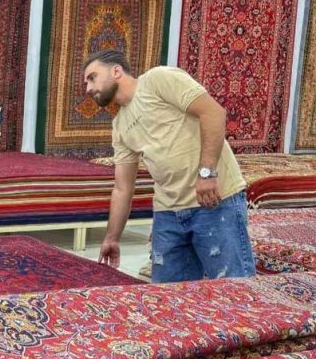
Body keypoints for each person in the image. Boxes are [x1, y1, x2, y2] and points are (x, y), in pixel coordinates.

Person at [83, 49, 255, 282]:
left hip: (215, 201)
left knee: (233, 290)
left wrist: (207, 173)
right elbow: (123, 188)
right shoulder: (120, 125)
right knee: (168, 297)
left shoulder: (157, 80)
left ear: (116, 71)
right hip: (168, 213)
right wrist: (112, 238)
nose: (88, 88)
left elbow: (213, 112)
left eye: (92, 78)